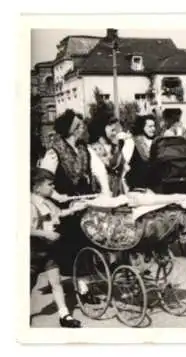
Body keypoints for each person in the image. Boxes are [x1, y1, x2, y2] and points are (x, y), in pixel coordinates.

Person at [37, 109, 106, 275]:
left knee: (88, 241)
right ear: (73, 129)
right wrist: (56, 197)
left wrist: (103, 191)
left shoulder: (84, 148)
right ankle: (81, 286)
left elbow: (95, 171)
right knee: (72, 246)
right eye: (80, 125)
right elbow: (43, 182)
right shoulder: (54, 152)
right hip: (65, 203)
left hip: (83, 200)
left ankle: (88, 278)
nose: (83, 128)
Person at [30, 168, 87, 327]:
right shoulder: (30, 204)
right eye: (49, 185)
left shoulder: (47, 201)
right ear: (37, 187)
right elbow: (24, 229)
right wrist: (45, 234)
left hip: (48, 250)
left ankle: (64, 315)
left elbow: (59, 213)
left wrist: (75, 209)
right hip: (33, 252)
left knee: (56, 282)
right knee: (28, 284)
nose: (53, 188)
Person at [87, 113, 128, 196]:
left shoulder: (112, 145)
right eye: (112, 130)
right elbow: (112, 164)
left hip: (117, 187)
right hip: (104, 187)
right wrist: (119, 145)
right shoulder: (96, 148)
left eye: (116, 130)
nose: (115, 133)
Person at [123, 115, 156, 190]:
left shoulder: (156, 141)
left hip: (153, 187)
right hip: (137, 187)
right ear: (142, 127)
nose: (153, 129)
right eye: (150, 126)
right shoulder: (131, 142)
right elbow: (124, 165)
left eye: (154, 126)